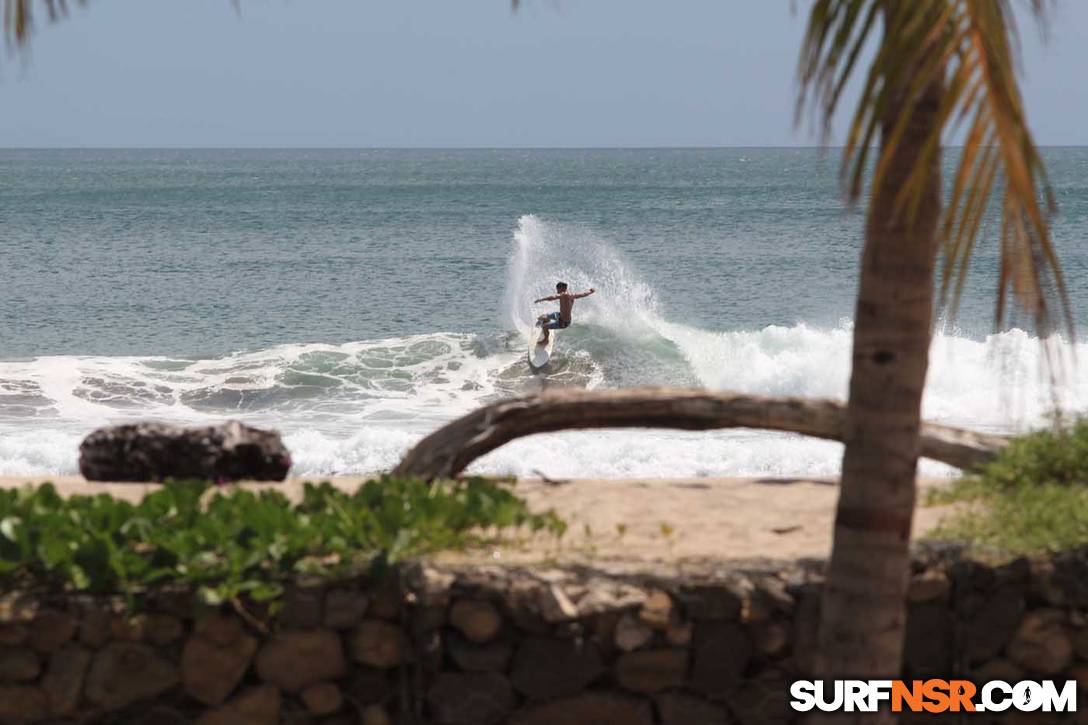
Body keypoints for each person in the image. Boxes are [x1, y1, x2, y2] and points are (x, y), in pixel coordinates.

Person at [533, 282, 596, 346]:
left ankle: (546, 340)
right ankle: (547, 321)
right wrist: (590, 291)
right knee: (542, 317)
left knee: (545, 326)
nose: (557, 291)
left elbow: (553, 297)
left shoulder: (564, 294)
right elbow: (583, 294)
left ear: (561, 288)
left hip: (563, 322)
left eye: (557, 289)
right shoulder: (572, 295)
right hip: (560, 315)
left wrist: (541, 299)